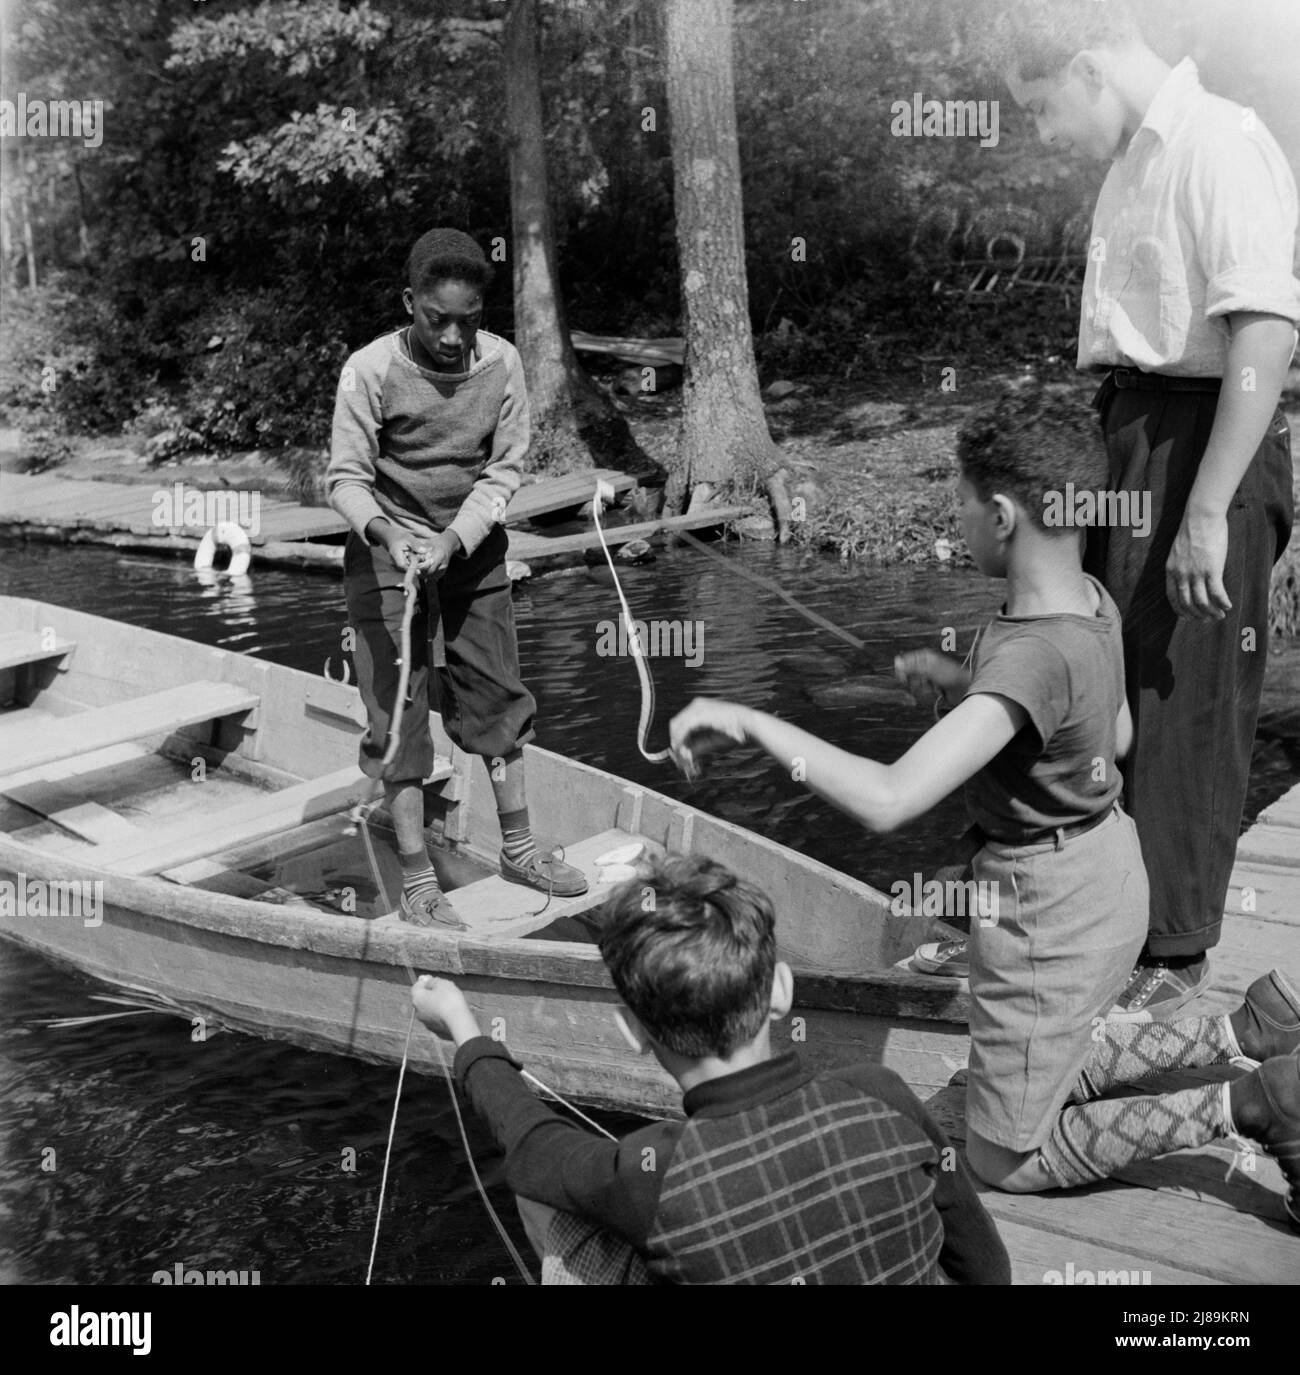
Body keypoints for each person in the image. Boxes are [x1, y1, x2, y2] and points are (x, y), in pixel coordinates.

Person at [669, 387, 1300, 1224]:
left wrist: (748, 719)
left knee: (1005, 1155)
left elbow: (891, 797)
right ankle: (1251, 1026)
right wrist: (971, 693)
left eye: (960, 506)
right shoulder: (1093, 602)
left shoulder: (1028, 652)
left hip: (1049, 918)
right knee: (1061, 1052)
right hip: (1113, 871)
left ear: (1002, 514)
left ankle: (1253, 1105)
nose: (955, 521)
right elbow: (1104, 736)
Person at [986, 0, 1300, 1019]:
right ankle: (1111, 921)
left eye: (1040, 110)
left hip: (1204, 441)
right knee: (1106, 682)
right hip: (1129, 436)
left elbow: (1261, 334)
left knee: (1187, 700)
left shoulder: (1219, 140)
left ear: (1086, 66)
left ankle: (1173, 958)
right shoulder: (1130, 164)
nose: (1043, 136)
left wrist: (1207, 508)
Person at [411, 853, 1012, 1284]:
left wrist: (466, 1032)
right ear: (780, 990)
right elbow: (988, 1269)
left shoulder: (652, 1175)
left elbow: (531, 1146)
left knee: (553, 1205)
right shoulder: (883, 1093)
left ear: (633, 1032)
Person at [327, 227, 586, 928]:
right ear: (409, 302)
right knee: (398, 717)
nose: (450, 336)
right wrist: (391, 535)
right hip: (385, 550)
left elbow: (505, 468)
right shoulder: (368, 371)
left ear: (481, 311)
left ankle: (521, 849)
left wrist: (453, 538)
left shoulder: (500, 365)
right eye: (435, 318)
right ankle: (417, 881)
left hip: (469, 547)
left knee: (497, 699)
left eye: (466, 320)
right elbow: (345, 480)